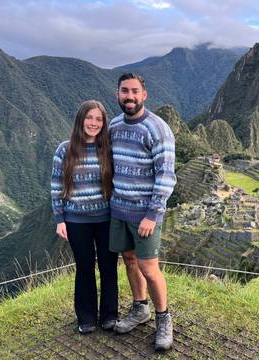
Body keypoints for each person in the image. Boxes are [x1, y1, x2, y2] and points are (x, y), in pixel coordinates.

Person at [109, 73, 176, 351]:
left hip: (145, 214)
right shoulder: (113, 126)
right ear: (118, 94)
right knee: (129, 260)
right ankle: (140, 308)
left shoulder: (157, 128)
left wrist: (152, 214)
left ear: (144, 95)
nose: (130, 96)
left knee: (149, 267)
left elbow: (166, 176)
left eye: (135, 91)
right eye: (125, 91)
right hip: (119, 209)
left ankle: (164, 318)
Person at [51, 100, 118, 334]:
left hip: (106, 218)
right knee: (85, 267)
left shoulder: (107, 149)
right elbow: (57, 186)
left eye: (99, 119)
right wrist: (59, 218)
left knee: (109, 266)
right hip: (76, 220)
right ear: (81, 119)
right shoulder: (64, 149)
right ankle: (86, 317)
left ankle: (110, 315)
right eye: (90, 118)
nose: (94, 123)